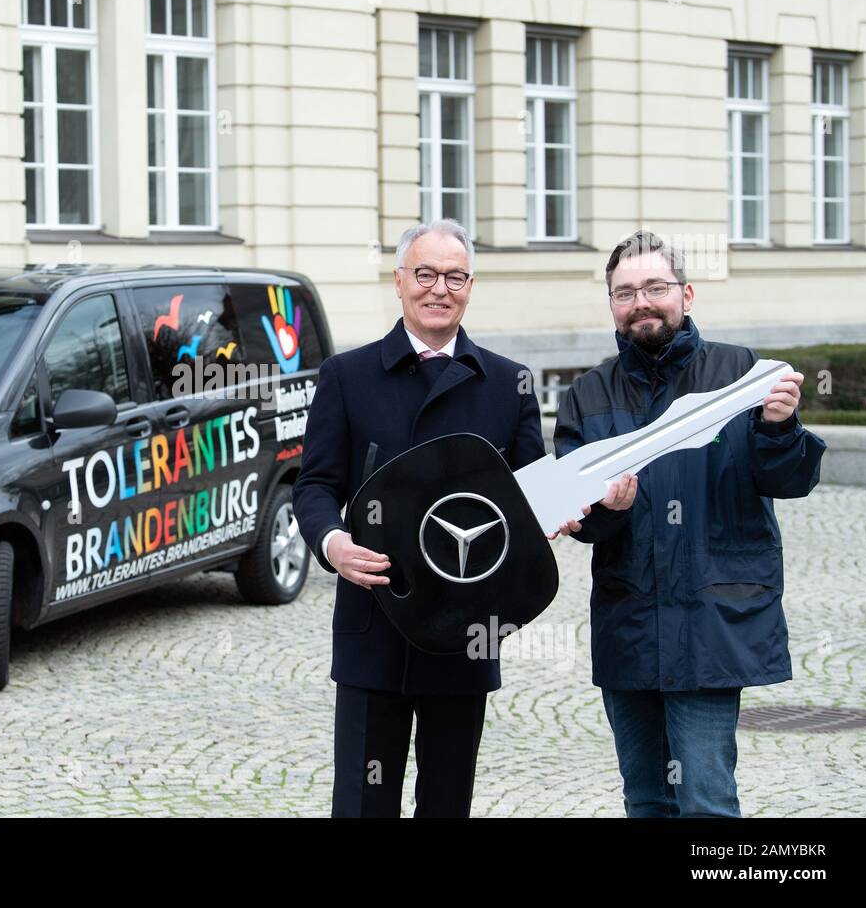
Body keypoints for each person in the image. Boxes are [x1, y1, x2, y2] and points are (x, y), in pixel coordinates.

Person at [553, 229, 826, 817]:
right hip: (631, 622)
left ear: (687, 293)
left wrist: (782, 429)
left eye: (656, 287)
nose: (641, 302)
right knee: (647, 799)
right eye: (625, 292)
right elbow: (576, 516)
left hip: (713, 623)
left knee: (706, 800)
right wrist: (605, 512)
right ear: (611, 305)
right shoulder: (587, 394)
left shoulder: (741, 373)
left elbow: (788, 480)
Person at [293, 218, 551, 817]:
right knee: (363, 804)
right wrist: (331, 543)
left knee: (446, 804)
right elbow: (315, 486)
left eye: (454, 276)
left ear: (470, 285)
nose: (440, 288)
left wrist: (572, 504)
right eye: (426, 274)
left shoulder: (508, 383)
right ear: (400, 280)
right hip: (373, 621)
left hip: (462, 631)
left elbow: (530, 495)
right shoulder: (346, 376)